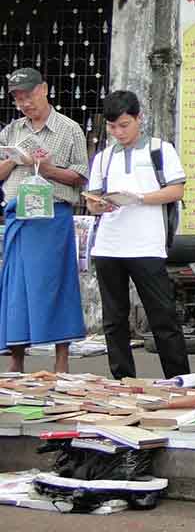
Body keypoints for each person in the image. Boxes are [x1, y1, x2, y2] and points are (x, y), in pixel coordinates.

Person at [85, 90, 190, 381]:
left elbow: (176, 190)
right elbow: (92, 199)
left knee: (163, 316)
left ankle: (179, 380)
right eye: (112, 127)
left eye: (124, 125)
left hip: (146, 245)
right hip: (109, 246)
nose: (118, 132)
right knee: (114, 320)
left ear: (138, 119)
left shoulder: (160, 149)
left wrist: (140, 198)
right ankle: (122, 380)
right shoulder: (104, 157)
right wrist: (98, 204)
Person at [0, 68, 87, 373]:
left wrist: (48, 169)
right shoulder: (12, 130)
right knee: (15, 289)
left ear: (44, 90)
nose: (25, 103)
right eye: (18, 98)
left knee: (56, 285)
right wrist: (14, 159)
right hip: (19, 218)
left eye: (29, 95)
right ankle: (16, 360)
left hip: (52, 217)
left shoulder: (69, 128)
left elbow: (79, 177)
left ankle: (61, 361)